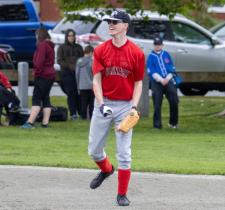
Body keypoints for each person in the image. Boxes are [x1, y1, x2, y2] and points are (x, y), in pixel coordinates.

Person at [88, 10, 145, 206]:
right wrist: (101, 104)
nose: (110, 24)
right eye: (109, 21)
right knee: (94, 151)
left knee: (124, 152)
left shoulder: (136, 52)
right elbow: (96, 80)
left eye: (115, 21)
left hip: (125, 106)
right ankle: (106, 169)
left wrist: (134, 107)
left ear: (125, 26)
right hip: (103, 103)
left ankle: (121, 194)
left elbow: (138, 83)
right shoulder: (101, 50)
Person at [22, 28, 55, 129]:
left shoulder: (42, 45)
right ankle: (45, 123)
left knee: (36, 98)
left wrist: (36, 72)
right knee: (45, 98)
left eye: (36, 35)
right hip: (50, 75)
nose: (35, 37)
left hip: (43, 75)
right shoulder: (50, 45)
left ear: (39, 35)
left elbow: (40, 62)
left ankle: (30, 122)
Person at [147, 36, 179, 129]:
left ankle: (173, 123)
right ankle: (157, 125)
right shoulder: (151, 57)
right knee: (157, 103)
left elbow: (171, 68)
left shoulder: (166, 54)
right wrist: (161, 79)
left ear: (162, 45)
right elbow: (151, 71)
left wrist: (167, 78)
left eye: (159, 44)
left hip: (168, 80)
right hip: (157, 82)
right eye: (156, 45)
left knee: (174, 101)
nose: (157, 46)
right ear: (154, 45)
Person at [57, 29, 83, 120]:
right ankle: (73, 113)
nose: (71, 37)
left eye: (73, 35)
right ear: (66, 37)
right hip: (66, 74)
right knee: (71, 93)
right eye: (69, 36)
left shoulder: (79, 47)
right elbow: (59, 61)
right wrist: (69, 66)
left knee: (79, 94)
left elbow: (82, 59)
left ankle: (81, 112)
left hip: (78, 74)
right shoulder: (62, 47)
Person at [76, 45, 94, 119]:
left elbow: (77, 74)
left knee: (83, 102)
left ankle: (83, 116)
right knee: (91, 103)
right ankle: (91, 116)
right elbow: (93, 73)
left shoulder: (79, 61)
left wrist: (78, 85)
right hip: (91, 86)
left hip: (82, 85)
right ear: (91, 52)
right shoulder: (92, 61)